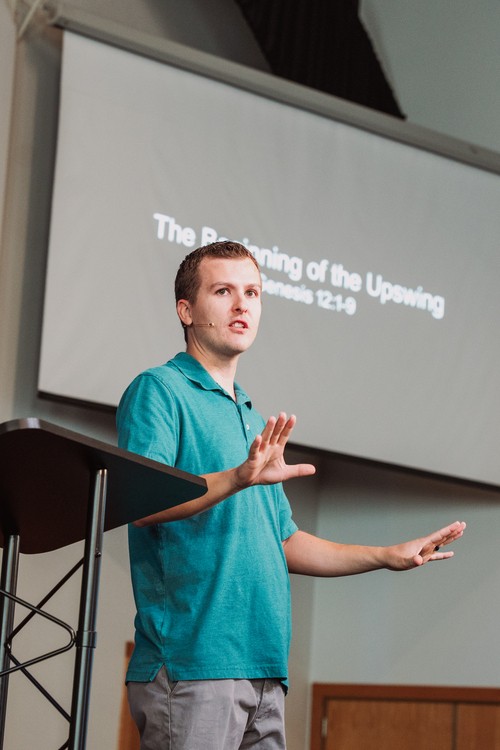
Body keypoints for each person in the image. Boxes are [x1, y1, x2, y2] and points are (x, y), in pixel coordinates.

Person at [116, 240, 466, 750]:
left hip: (266, 669)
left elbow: (284, 543)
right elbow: (140, 503)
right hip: (193, 664)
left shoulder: (252, 417)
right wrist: (237, 478)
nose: (242, 305)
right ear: (186, 311)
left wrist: (387, 555)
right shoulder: (160, 390)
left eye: (253, 293)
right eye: (223, 291)